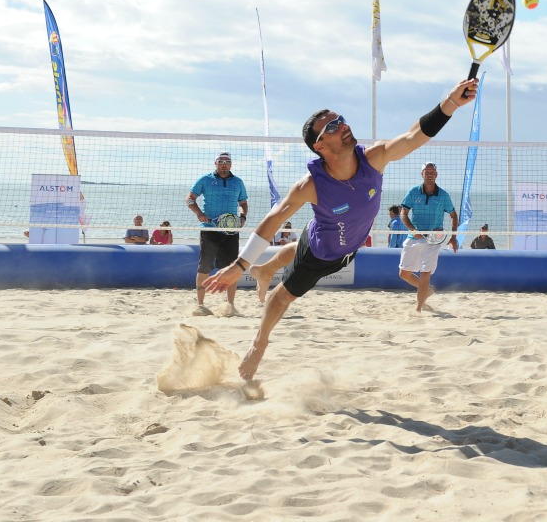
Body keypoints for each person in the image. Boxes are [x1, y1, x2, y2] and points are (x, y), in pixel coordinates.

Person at [203, 78, 477, 380]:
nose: (343, 126)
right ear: (319, 145)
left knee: (301, 246)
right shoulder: (311, 185)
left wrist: (450, 103)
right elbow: (274, 219)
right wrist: (240, 264)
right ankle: (258, 344)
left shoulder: (374, 158)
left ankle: (266, 269)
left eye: (341, 120)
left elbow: (414, 136)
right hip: (321, 252)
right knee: (281, 297)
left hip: (341, 241)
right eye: (332, 127)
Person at [186, 152, 250, 317]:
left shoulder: (237, 182)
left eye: (227, 162)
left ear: (231, 165)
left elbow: (243, 203)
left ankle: (230, 306)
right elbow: (190, 199)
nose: (224, 164)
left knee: (231, 268)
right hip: (210, 230)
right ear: (215, 163)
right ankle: (200, 306)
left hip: (230, 230)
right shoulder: (205, 180)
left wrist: (243, 217)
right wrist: (199, 213)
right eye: (220, 161)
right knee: (204, 267)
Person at [399, 162, 459, 313]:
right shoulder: (413, 192)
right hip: (414, 236)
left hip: (434, 238)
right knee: (403, 273)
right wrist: (413, 229)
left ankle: (418, 309)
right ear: (422, 174)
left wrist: (453, 237)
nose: (430, 174)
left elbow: (453, 215)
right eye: (427, 171)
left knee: (425, 273)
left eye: (432, 172)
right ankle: (426, 290)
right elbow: (403, 213)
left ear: (437, 175)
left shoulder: (444, 195)